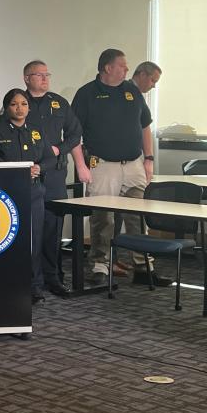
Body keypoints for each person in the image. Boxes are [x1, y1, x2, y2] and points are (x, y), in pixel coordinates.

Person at [72, 48, 169, 287]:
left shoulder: (131, 92)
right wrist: (81, 165)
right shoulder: (86, 94)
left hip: (134, 164)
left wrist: (149, 158)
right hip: (103, 165)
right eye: (123, 66)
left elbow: (145, 126)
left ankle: (143, 266)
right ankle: (100, 265)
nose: (127, 69)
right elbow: (73, 133)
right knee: (103, 218)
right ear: (108, 68)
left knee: (137, 215)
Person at [22, 60, 87, 297]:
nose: (45, 78)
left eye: (47, 74)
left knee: (53, 228)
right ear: (27, 78)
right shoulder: (18, 102)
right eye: (39, 75)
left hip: (55, 174)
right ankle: (31, 281)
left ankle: (53, 277)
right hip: (29, 173)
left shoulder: (59, 103)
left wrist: (60, 149)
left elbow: (75, 132)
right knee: (30, 229)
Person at [0, 89, 51, 303]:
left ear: (29, 107)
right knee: (8, 239)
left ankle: (34, 286)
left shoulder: (37, 131)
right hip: (7, 192)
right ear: (6, 108)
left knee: (34, 240)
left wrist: (39, 167)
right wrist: (13, 168)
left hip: (33, 191)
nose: (19, 108)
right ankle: (7, 283)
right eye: (14, 104)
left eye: (24, 104)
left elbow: (51, 158)